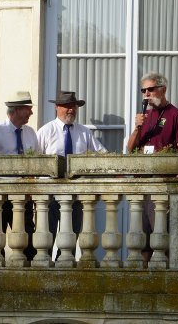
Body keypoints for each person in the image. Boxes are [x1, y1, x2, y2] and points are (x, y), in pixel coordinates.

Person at [127, 72, 178, 260]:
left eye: (150, 89)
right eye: (143, 90)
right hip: (142, 183)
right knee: (143, 240)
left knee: (161, 237)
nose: (146, 93)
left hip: (163, 184)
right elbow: (130, 149)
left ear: (163, 89)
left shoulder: (176, 115)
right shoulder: (144, 116)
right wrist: (137, 127)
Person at [37, 91, 107, 250]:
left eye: (74, 106)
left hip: (76, 194)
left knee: (71, 238)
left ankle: (65, 268)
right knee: (47, 237)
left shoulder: (84, 132)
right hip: (50, 195)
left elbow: (102, 154)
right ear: (56, 107)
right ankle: (46, 269)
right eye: (67, 106)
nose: (71, 110)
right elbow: (33, 161)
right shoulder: (46, 131)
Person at [0, 90, 40, 261]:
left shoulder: (30, 133)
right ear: (17, 110)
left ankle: (28, 274)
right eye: (28, 108)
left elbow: (36, 163)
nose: (31, 112)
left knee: (27, 238)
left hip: (22, 195)